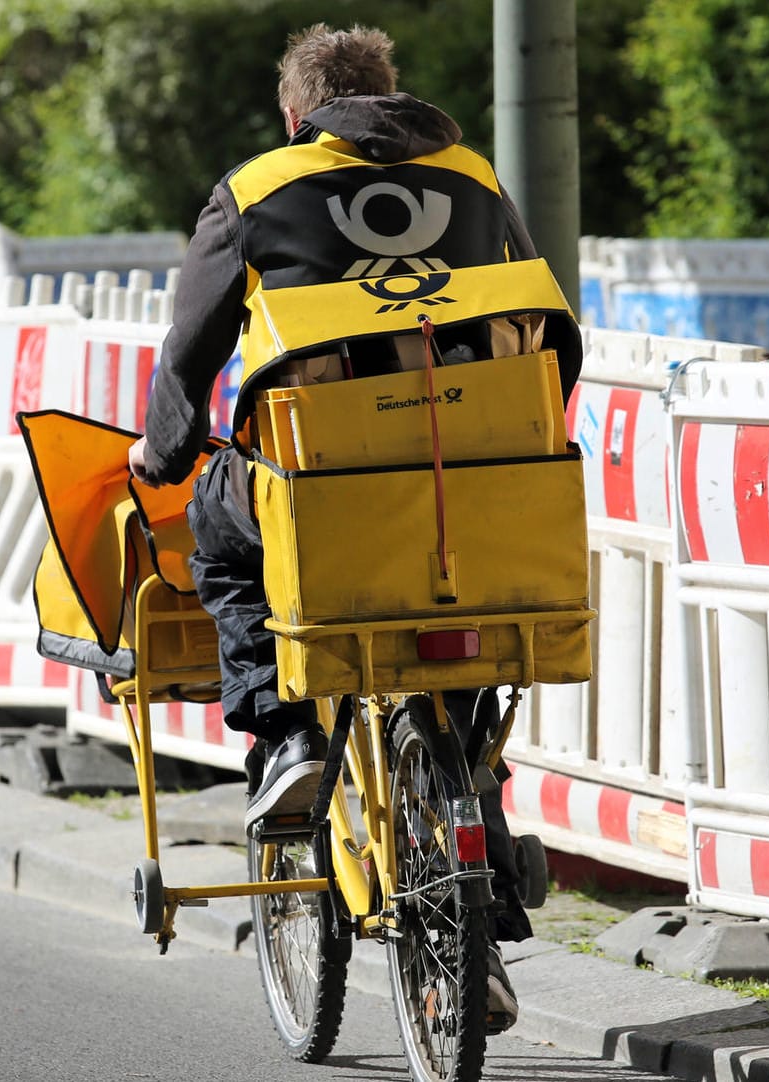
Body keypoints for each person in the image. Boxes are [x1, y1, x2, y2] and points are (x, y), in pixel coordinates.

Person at [126, 23, 552, 1033]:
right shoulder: (477, 177)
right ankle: (478, 897)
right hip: (470, 485)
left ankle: (285, 736)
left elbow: (192, 351)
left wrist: (165, 452)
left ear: (296, 113)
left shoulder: (257, 187)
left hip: (318, 481)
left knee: (220, 533)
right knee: (457, 667)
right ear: (394, 96)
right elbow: (537, 313)